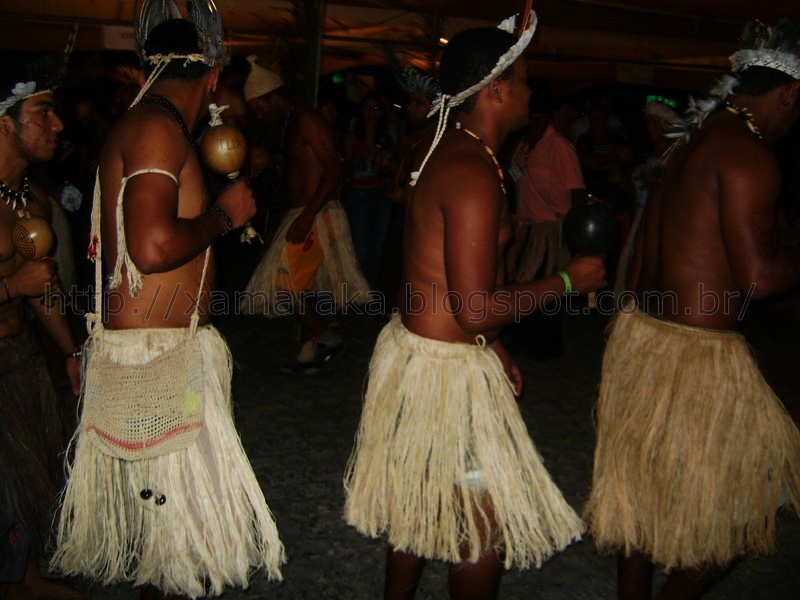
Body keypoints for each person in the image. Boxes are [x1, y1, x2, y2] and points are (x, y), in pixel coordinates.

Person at [344, 11, 605, 600]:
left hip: (427, 354)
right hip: (443, 370)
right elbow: (474, 308)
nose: (533, 94)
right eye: (527, 81)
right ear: (498, 90)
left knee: (420, 505)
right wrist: (568, 279)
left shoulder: (458, 152)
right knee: (481, 534)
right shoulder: (471, 170)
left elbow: (461, 291)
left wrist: (497, 344)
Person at [49, 5, 284, 599]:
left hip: (163, 351)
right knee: (191, 544)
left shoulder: (146, 123)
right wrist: (223, 217)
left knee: (174, 541)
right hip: (159, 356)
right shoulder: (156, 128)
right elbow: (152, 249)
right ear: (210, 76)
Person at [584, 17, 800, 600]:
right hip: (696, 355)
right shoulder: (750, 157)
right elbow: (758, 277)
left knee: (642, 493)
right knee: (760, 498)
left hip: (642, 336)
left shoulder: (688, 149)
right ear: (790, 93)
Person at [0, 52, 85, 600]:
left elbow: (42, 288)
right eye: (44, 112)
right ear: (5, 121)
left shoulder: (27, 198)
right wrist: (13, 288)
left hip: (20, 361)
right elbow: (25, 284)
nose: (58, 126)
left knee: (33, 481)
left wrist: (70, 351)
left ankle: (22, 576)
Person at [241, 55, 370, 375]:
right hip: (303, 213)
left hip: (316, 216)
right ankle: (315, 344)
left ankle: (327, 340)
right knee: (298, 286)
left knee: (285, 285)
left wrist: (307, 215)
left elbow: (334, 167)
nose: (260, 116)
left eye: (261, 108)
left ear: (274, 98)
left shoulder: (308, 119)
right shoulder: (289, 124)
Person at [503, 93, 587, 359]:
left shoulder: (560, 147)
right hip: (526, 225)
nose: (529, 122)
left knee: (546, 286)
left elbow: (577, 192)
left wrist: (572, 234)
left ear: (544, 118)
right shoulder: (523, 146)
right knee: (522, 283)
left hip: (551, 227)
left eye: (535, 118)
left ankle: (546, 345)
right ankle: (525, 338)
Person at [341, 92, 396, 289]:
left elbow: (394, 168)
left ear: (381, 112)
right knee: (360, 248)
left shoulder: (388, 135)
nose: (372, 113)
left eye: (376, 108)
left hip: (381, 195)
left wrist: (383, 160)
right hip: (359, 194)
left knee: (376, 249)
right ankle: (352, 287)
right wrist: (360, 156)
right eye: (368, 108)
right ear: (361, 111)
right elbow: (345, 169)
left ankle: (368, 292)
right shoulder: (352, 135)